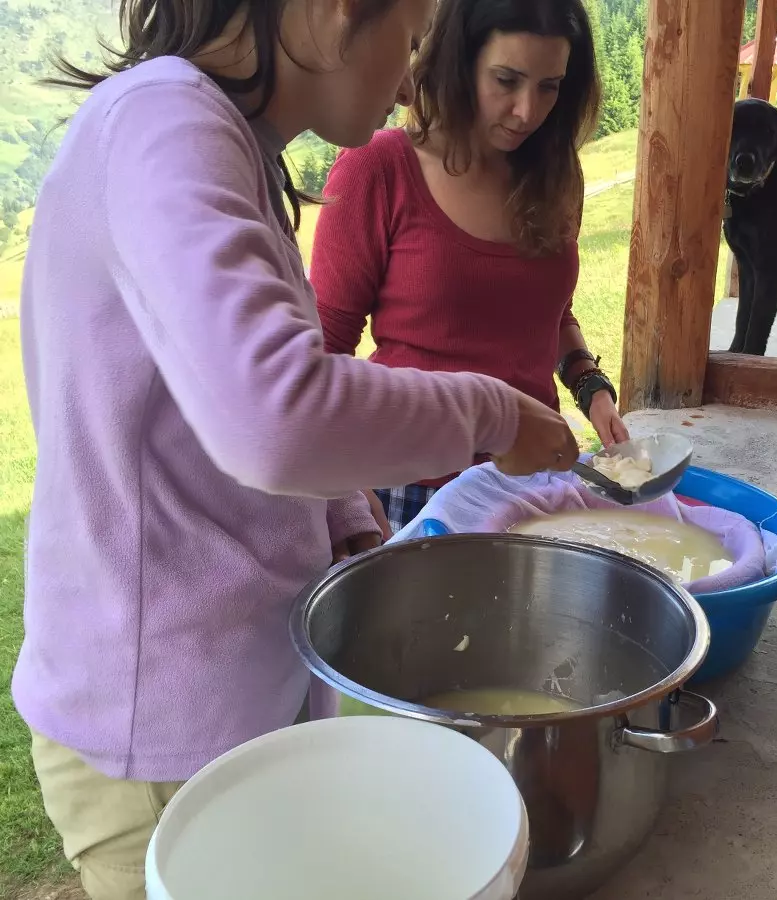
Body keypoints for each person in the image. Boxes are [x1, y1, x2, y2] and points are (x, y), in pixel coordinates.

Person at [13, 0, 580, 896]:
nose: (407, 78)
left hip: (240, 689)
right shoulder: (166, 123)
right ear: (330, 11)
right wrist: (497, 416)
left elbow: (235, 392)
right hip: (160, 726)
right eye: (414, 35)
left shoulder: (226, 143)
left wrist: (347, 519)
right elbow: (275, 415)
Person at [311, 0, 628, 533]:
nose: (527, 111)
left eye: (549, 86)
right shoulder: (379, 169)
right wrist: (342, 490)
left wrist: (592, 389)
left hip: (530, 482)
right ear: (459, 64)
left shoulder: (555, 178)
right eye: (506, 80)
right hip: (411, 486)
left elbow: (549, 314)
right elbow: (323, 349)